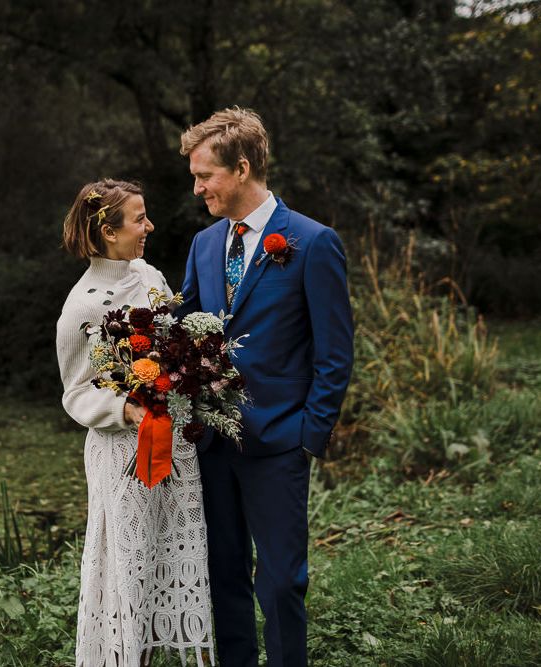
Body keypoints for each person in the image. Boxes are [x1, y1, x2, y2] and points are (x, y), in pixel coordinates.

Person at [177, 108, 354, 666]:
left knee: (280, 583)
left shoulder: (312, 242)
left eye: (206, 176)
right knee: (223, 576)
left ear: (243, 167)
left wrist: (310, 432)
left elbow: (335, 351)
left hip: (279, 441)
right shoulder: (204, 244)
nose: (198, 187)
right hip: (213, 442)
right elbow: (186, 332)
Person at [56, 179, 214, 667]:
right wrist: (124, 408)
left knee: (173, 553)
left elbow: (174, 342)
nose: (149, 226)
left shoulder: (150, 276)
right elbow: (76, 392)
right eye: (139, 219)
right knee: (130, 565)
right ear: (107, 231)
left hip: (173, 443)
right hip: (122, 455)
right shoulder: (80, 306)